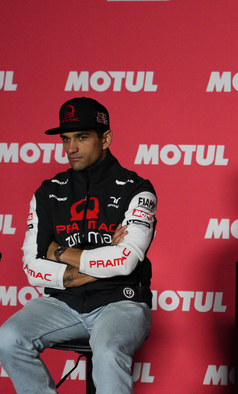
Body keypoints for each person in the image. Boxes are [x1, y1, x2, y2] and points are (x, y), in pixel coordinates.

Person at [0, 97, 157, 393]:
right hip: (63, 303)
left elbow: (124, 263)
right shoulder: (47, 192)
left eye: (82, 137)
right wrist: (99, 261)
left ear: (106, 138)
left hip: (120, 303)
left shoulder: (138, 189)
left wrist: (58, 252)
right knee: (8, 338)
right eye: (66, 139)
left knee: (108, 353)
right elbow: (33, 268)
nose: (71, 148)